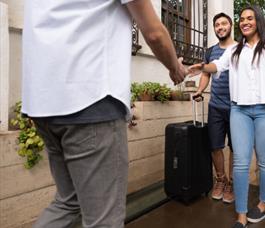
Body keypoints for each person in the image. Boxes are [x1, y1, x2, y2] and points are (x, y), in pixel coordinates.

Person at [22, 0, 186, 227]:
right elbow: (154, 32)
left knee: (68, 203)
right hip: (90, 101)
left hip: (43, 105)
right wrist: (175, 68)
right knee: (104, 221)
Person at [189, 5, 265, 228]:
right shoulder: (236, 50)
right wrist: (200, 67)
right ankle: (241, 216)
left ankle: (264, 204)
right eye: (242, 19)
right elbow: (217, 65)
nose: (244, 22)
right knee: (240, 162)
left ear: (258, 20)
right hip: (239, 110)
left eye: (249, 18)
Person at [193, 13, 236, 203]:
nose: (220, 27)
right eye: (217, 25)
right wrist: (200, 90)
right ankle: (220, 179)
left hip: (237, 107)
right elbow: (206, 74)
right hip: (216, 106)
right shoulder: (210, 51)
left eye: (223, 23)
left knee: (236, 147)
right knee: (215, 145)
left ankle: (232, 183)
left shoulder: (240, 49)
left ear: (231, 25)